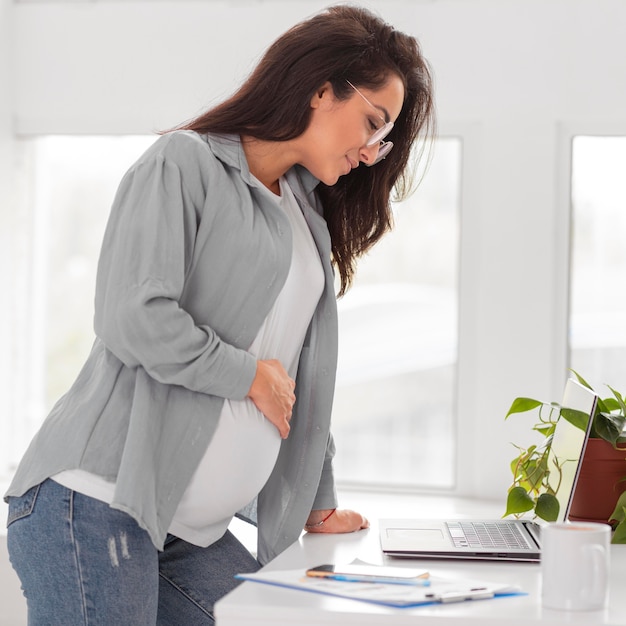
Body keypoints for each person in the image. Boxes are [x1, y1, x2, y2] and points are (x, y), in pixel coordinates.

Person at [5, 4, 435, 624]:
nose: (372, 149)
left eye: (383, 135)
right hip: (97, 500)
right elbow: (132, 315)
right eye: (371, 121)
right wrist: (246, 375)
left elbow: (302, 379)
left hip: (189, 530)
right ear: (320, 90)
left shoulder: (304, 216)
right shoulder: (183, 164)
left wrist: (318, 499)